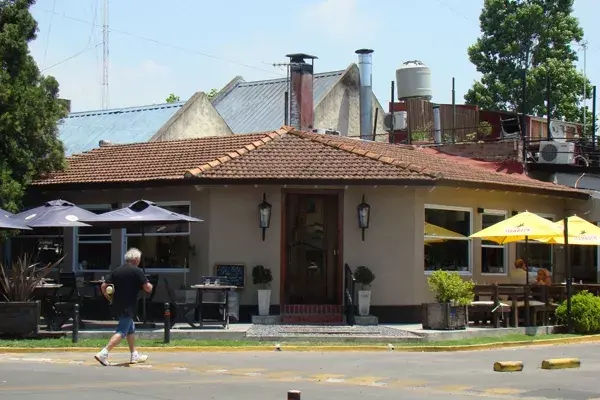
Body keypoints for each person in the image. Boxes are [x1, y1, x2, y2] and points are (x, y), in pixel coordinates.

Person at [95, 247, 153, 366]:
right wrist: (150, 285)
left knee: (130, 329)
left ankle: (134, 354)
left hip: (117, 304)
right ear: (136, 259)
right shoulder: (137, 271)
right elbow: (148, 288)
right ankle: (104, 353)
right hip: (129, 305)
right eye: (139, 259)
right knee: (122, 331)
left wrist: (108, 297)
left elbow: (103, 285)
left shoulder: (117, 270)